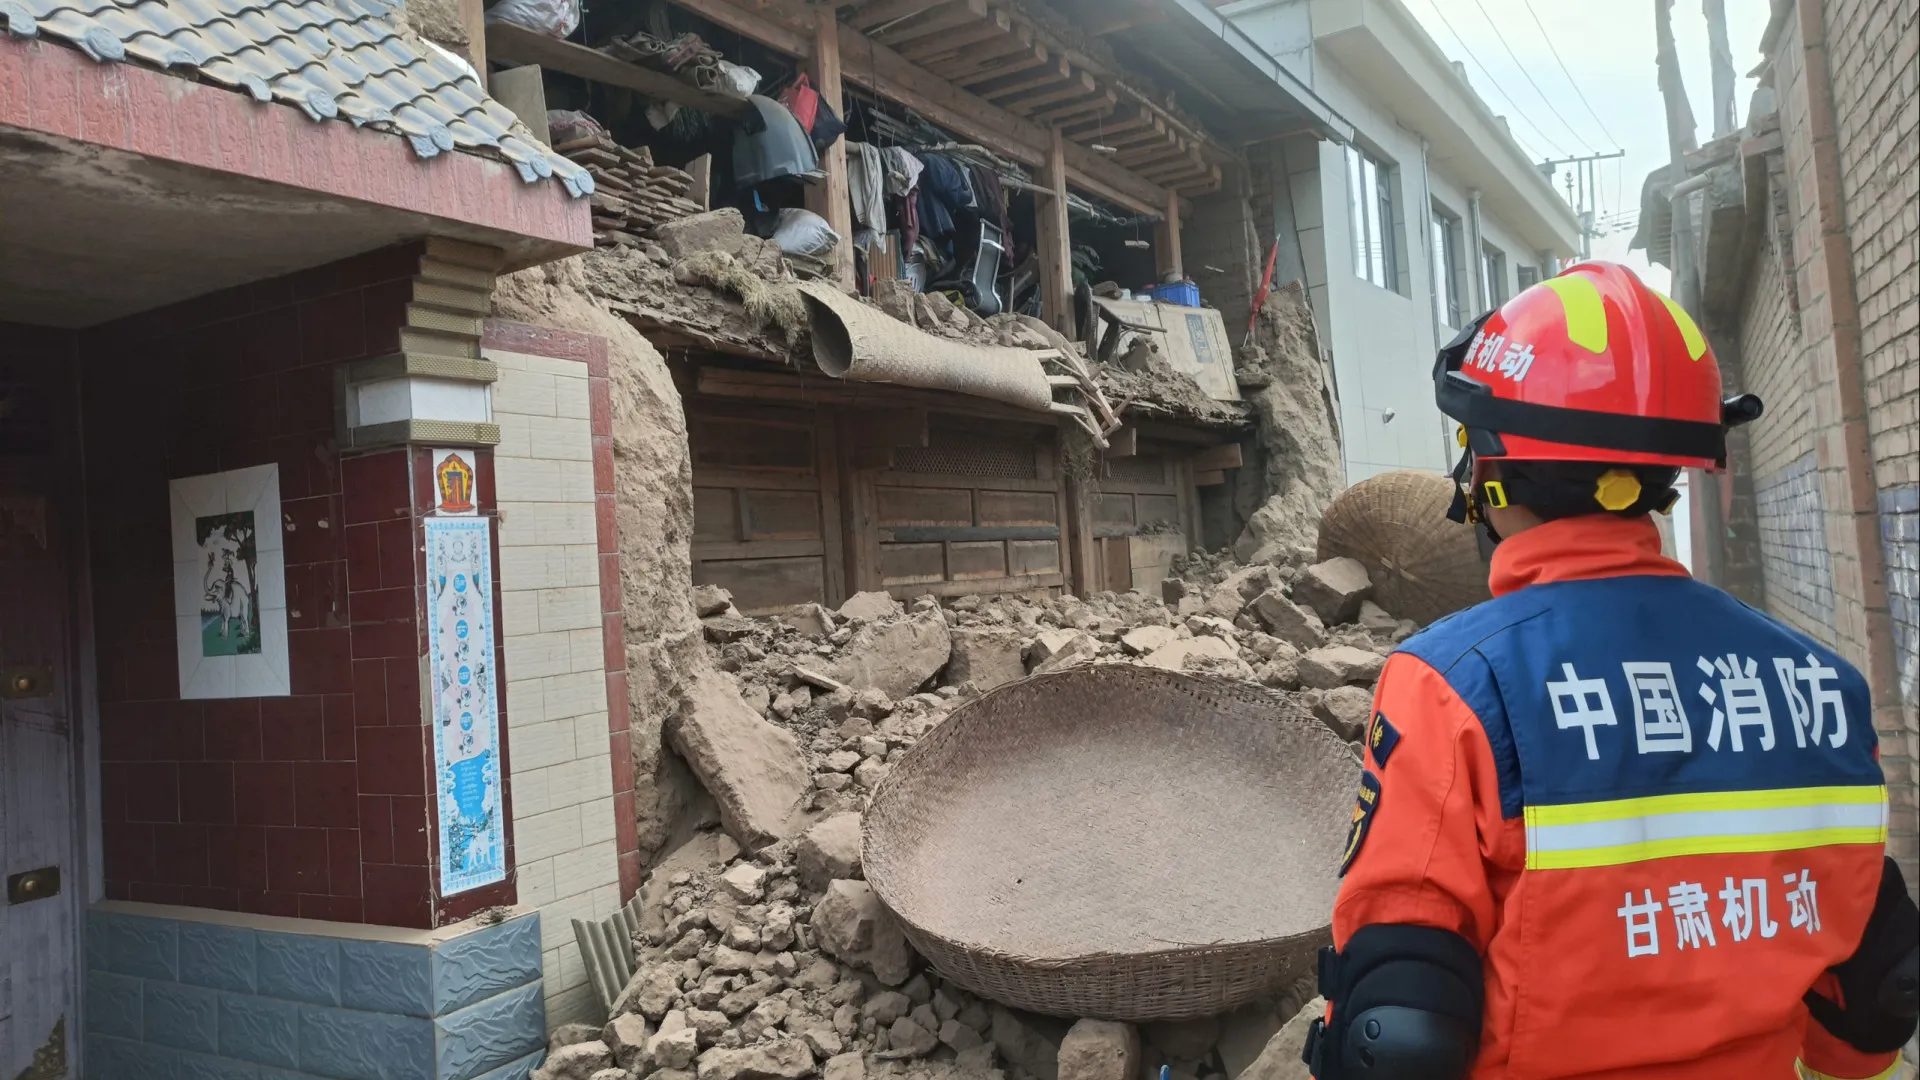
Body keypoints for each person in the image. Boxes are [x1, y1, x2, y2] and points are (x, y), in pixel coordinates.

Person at [1301, 261, 1918, 1080]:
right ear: (1662, 482)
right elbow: (1866, 1028)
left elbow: (1400, 1030)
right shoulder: (1823, 690)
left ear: (1488, 470)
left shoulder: (1449, 684)